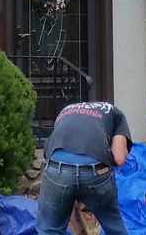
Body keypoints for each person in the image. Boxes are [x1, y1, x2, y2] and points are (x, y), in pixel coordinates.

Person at [36, 100, 132, 235]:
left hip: (57, 171)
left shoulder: (66, 110)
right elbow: (119, 158)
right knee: (114, 228)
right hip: (95, 171)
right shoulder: (116, 114)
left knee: (50, 229)